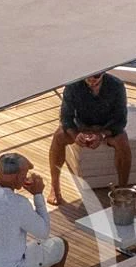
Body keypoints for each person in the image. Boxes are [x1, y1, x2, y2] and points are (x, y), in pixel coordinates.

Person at [0, 152, 69, 267]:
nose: (26, 177)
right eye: (25, 173)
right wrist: (38, 194)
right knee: (61, 245)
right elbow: (44, 232)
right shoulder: (19, 203)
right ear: (17, 176)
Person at [48, 70, 131, 204]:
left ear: (103, 73)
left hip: (106, 127)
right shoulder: (72, 86)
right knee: (58, 136)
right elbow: (66, 118)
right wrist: (76, 135)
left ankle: (122, 188)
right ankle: (55, 186)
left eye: (96, 76)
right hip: (82, 126)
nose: (91, 80)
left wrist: (102, 134)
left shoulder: (116, 85)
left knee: (123, 141)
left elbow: (120, 121)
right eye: (87, 77)